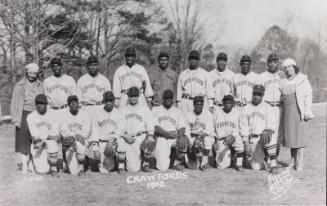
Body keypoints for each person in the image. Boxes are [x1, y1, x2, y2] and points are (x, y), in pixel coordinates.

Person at [280, 58, 314, 171]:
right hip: (287, 112)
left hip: (299, 111)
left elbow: (308, 95)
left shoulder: (302, 79)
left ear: (294, 67)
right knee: (291, 138)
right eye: (285, 68)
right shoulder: (283, 81)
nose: (288, 69)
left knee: (299, 137)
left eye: (290, 67)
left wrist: (307, 111)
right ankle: (293, 161)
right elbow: (281, 97)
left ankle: (300, 162)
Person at [11, 63, 44, 174]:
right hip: (23, 113)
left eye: (34, 73)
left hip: (36, 113)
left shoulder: (40, 85)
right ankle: (24, 165)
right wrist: (16, 119)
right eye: (30, 73)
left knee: (35, 138)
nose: (32, 75)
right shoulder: (20, 85)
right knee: (24, 140)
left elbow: (43, 100)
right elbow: (14, 103)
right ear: (27, 72)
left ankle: (32, 163)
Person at [240, 85, 278, 173]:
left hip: (265, 138)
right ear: (252, 94)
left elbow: (272, 124)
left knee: (271, 136)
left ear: (262, 95)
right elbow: (243, 127)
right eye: (255, 94)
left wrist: (268, 130)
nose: (256, 96)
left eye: (259, 94)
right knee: (256, 167)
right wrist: (246, 143)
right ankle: (257, 159)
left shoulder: (267, 107)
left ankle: (273, 164)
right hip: (253, 139)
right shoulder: (245, 108)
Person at [116, 87, 155, 172]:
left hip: (141, 136)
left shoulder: (144, 109)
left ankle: (146, 164)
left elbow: (150, 126)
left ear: (138, 96)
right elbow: (119, 127)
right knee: (133, 169)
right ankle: (121, 163)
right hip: (128, 138)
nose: (133, 98)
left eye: (135, 96)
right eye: (131, 96)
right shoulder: (123, 109)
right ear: (128, 96)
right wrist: (125, 136)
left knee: (150, 140)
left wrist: (150, 136)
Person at [59, 95, 99, 176]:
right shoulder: (63, 115)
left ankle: (81, 167)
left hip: (82, 141)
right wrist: (74, 136)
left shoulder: (85, 114)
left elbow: (86, 132)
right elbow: (63, 131)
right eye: (71, 102)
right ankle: (81, 161)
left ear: (78, 103)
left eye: (75, 102)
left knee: (79, 145)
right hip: (70, 142)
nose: (73, 104)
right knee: (73, 171)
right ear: (68, 105)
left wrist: (75, 136)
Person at [152, 89, 187, 171]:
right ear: (163, 99)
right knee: (163, 168)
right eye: (166, 98)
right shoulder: (155, 110)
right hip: (161, 138)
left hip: (174, 137)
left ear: (173, 99)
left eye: (170, 98)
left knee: (184, 139)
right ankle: (168, 158)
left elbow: (182, 127)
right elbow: (154, 126)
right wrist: (167, 134)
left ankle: (177, 163)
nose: (168, 100)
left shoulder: (178, 111)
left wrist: (180, 135)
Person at [26, 94, 60, 176]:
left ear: (46, 104)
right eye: (38, 103)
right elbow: (34, 134)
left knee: (53, 143)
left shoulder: (54, 115)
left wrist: (45, 137)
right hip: (38, 143)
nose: (40, 105)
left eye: (42, 103)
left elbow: (55, 133)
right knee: (42, 171)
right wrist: (46, 136)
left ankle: (53, 168)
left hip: (49, 141)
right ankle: (33, 162)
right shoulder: (30, 116)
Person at [258, 53, 283, 160]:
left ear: (278, 63)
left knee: (278, 134)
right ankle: (266, 156)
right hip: (266, 106)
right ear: (267, 63)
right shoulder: (261, 76)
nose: (273, 64)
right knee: (266, 132)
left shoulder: (282, 75)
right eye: (270, 62)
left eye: (275, 62)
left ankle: (275, 157)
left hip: (279, 107)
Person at [177, 50, 214, 117]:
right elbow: (179, 91)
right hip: (186, 102)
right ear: (188, 59)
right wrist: (179, 105)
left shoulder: (205, 74)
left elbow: (210, 91)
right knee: (186, 123)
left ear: (198, 60)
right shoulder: (182, 74)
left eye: (195, 58)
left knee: (201, 124)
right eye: (191, 58)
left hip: (200, 102)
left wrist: (210, 105)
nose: (193, 60)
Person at [213, 95, 244, 172]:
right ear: (223, 103)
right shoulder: (217, 112)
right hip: (221, 140)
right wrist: (215, 141)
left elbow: (241, 128)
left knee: (239, 140)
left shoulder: (238, 113)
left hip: (233, 137)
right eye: (226, 102)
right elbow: (212, 128)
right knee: (221, 166)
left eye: (230, 103)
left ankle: (239, 164)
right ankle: (230, 157)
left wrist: (232, 135)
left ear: (233, 104)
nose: (227, 104)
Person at [92, 91, 121, 174]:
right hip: (102, 143)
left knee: (122, 143)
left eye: (110, 100)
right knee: (105, 170)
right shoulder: (97, 113)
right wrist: (95, 149)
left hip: (114, 142)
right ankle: (100, 161)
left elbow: (120, 131)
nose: (108, 102)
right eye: (106, 100)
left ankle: (120, 163)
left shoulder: (118, 113)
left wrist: (111, 141)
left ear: (114, 101)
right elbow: (94, 132)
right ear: (103, 101)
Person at [184, 96, 215, 170]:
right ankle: (190, 156)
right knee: (193, 167)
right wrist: (189, 143)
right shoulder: (188, 114)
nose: (198, 106)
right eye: (196, 104)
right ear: (193, 105)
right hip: (191, 136)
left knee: (207, 139)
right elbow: (186, 130)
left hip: (203, 136)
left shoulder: (208, 115)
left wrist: (199, 137)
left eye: (200, 104)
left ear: (203, 105)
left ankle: (204, 162)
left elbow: (209, 130)